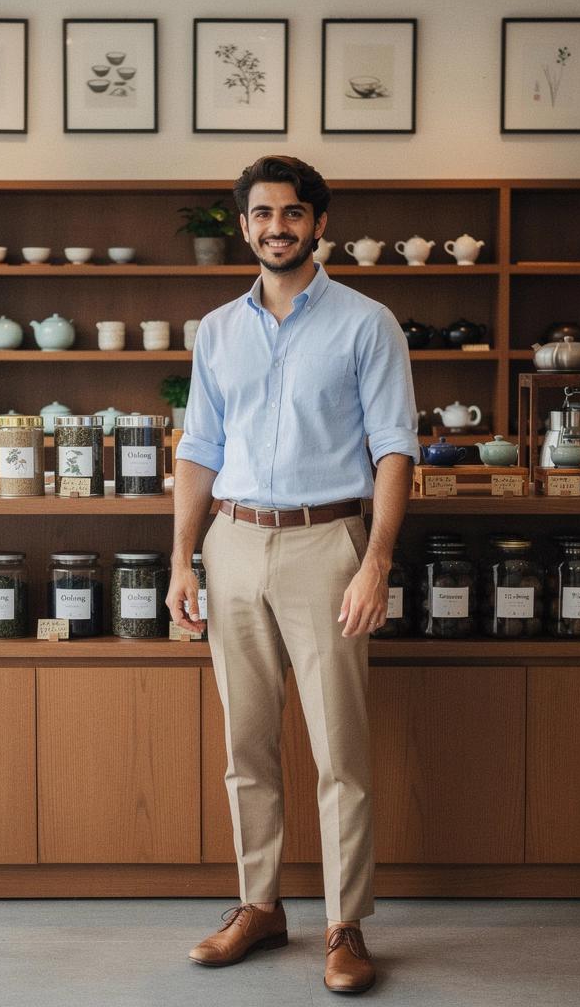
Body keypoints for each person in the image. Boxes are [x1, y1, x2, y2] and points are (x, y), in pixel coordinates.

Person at [167, 155, 418, 995]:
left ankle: (345, 925)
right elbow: (199, 449)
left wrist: (375, 560)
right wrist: (182, 558)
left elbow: (393, 448)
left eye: (293, 213)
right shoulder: (216, 330)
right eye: (262, 213)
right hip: (232, 543)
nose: (278, 226)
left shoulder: (366, 322)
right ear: (243, 227)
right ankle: (260, 906)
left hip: (327, 545)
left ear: (318, 223)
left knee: (338, 747)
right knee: (247, 743)